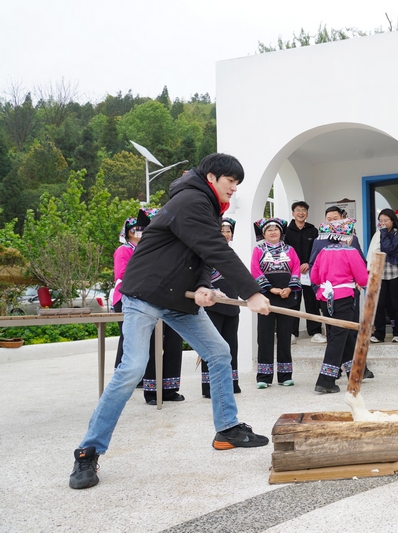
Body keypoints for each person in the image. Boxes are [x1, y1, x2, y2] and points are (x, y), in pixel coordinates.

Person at [69, 153, 272, 490]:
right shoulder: (191, 200)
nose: (234, 188)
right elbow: (213, 247)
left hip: (179, 298)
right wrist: (251, 291)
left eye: (237, 184)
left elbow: (202, 254)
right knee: (133, 367)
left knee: (219, 353)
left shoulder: (206, 206)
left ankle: (227, 429)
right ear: (212, 177)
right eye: (230, 182)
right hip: (145, 295)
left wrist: (204, 285)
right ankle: (88, 451)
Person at [112, 208, 185, 405]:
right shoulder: (124, 250)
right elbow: (123, 274)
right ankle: (152, 391)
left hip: (169, 298)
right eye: (137, 229)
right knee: (150, 343)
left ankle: (169, 388)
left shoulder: (165, 248)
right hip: (138, 299)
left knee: (173, 341)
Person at [309, 205, 374, 379]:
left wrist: (323, 288)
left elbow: (314, 276)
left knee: (343, 334)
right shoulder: (347, 250)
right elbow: (362, 277)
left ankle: (355, 370)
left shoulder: (325, 251)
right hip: (343, 296)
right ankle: (326, 379)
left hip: (327, 296)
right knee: (338, 335)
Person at [251, 217, 301, 387]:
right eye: (269, 230)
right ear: (263, 233)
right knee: (264, 336)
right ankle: (264, 377)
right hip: (266, 297)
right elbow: (255, 271)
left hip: (287, 296)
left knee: (285, 336)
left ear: (281, 232)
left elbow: (296, 268)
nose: (273, 232)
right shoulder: (258, 250)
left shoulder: (290, 249)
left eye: (276, 229)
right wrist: (270, 289)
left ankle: (285, 375)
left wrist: (289, 288)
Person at [201, 217, 242, 398]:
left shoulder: (232, 254)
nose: (225, 235)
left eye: (228, 232)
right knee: (211, 346)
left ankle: (231, 383)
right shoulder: (205, 254)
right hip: (212, 305)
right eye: (222, 231)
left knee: (231, 344)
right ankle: (209, 386)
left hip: (232, 303)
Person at [283, 201, 326, 344]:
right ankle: (291, 333)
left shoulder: (313, 230)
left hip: (310, 271)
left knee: (312, 302)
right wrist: (297, 265)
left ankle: (315, 332)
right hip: (293, 273)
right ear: (293, 213)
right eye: (298, 210)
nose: (301, 213)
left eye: (303, 210)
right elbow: (285, 251)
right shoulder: (286, 231)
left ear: (307, 213)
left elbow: (317, 250)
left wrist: (308, 262)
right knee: (293, 302)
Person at [369, 208, 398, 343]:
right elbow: (374, 251)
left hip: (394, 273)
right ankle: (379, 334)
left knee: (395, 304)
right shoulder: (378, 234)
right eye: (380, 221)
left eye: (385, 220)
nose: (383, 223)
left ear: (392, 220)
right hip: (380, 273)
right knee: (379, 304)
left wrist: (384, 233)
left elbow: (389, 248)